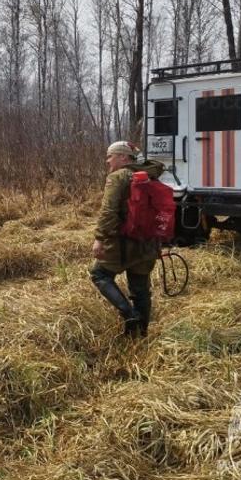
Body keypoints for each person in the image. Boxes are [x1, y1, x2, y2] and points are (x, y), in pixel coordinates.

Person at [90, 141, 166, 338]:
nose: (107, 161)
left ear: (123, 157)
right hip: (148, 242)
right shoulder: (150, 175)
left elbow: (108, 211)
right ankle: (140, 334)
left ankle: (130, 316)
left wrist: (99, 238)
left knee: (99, 274)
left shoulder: (118, 177)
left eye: (111, 156)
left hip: (122, 243)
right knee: (140, 289)